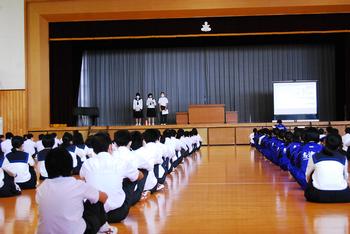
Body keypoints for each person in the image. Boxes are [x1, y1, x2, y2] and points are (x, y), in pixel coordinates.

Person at [36, 147, 116, 234]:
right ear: (70, 167)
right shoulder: (78, 185)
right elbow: (104, 197)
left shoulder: (41, 188)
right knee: (96, 201)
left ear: (47, 167)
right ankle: (104, 228)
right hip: (77, 232)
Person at [81, 132, 143, 223]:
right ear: (110, 147)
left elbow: (83, 178)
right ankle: (136, 197)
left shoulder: (87, 163)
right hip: (118, 214)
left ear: (93, 150)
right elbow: (140, 176)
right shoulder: (120, 162)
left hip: (94, 214)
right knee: (135, 176)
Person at [304, 133, 350, 203]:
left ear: (324, 143)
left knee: (310, 180)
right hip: (343, 196)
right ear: (339, 146)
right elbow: (347, 178)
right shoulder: (343, 158)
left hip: (319, 196)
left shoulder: (314, 156)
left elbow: (307, 176)